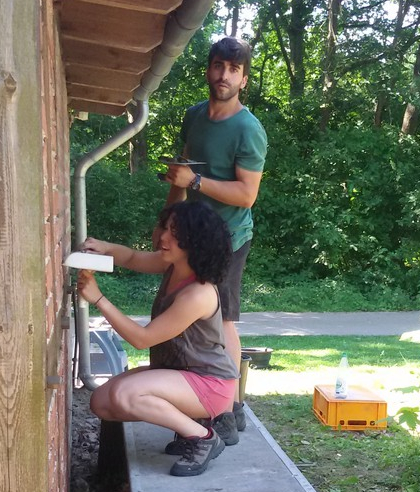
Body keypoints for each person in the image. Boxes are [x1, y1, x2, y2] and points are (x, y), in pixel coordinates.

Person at [154, 37, 268, 436]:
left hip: (229, 237)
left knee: (224, 321)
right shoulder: (194, 117)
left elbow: (247, 195)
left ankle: (231, 407)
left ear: (244, 79)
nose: (224, 75)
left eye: (234, 70)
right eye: (219, 66)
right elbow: (182, 171)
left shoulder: (248, 129)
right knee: (184, 315)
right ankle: (196, 398)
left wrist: (196, 182)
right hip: (191, 235)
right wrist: (168, 220)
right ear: (208, 70)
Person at [77, 201, 239, 477]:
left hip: (210, 383)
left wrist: (99, 299)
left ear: (195, 241)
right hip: (180, 373)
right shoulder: (172, 265)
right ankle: (193, 423)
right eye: (166, 227)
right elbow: (131, 258)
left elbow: (143, 339)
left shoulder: (198, 293)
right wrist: (104, 247)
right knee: (101, 402)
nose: (163, 237)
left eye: (175, 233)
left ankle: (203, 437)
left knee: (125, 394)